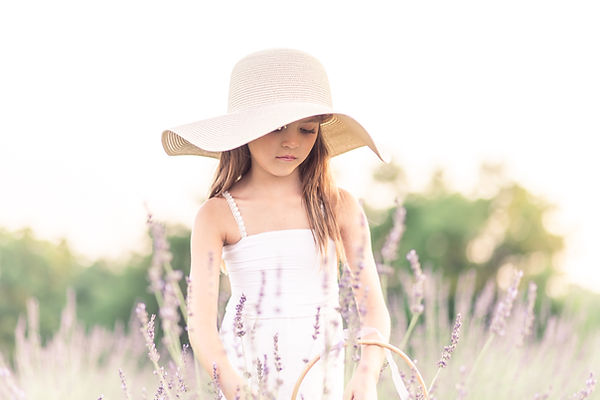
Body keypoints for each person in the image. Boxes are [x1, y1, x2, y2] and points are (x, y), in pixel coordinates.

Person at [161, 48, 397, 400]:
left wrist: (366, 373)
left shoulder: (338, 207)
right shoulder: (217, 214)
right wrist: (238, 389)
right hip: (247, 375)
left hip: (322, 374)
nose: (291, 142)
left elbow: (373, 307)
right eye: (276, 128)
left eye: (306, 129)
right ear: (244, 131)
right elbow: (200, 326)